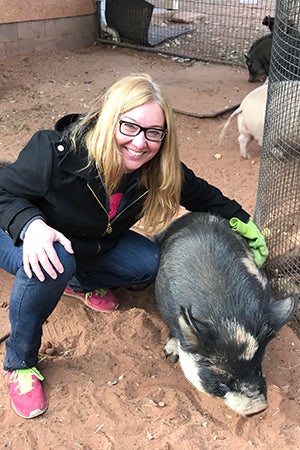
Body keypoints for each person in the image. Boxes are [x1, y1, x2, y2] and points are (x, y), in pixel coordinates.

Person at [0, 73, 268, 419]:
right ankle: (19, 363)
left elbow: (205, 196)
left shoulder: (154, 167)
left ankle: (78, 283)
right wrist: (31, 226)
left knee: (148, 263)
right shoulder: (53, 152)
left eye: (153, 132)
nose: (140, 143)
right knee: (55, 260)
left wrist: (243, 224)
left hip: (87, 244)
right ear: (110, 118)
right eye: (129, 127)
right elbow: (4, 192)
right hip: (21, 236)